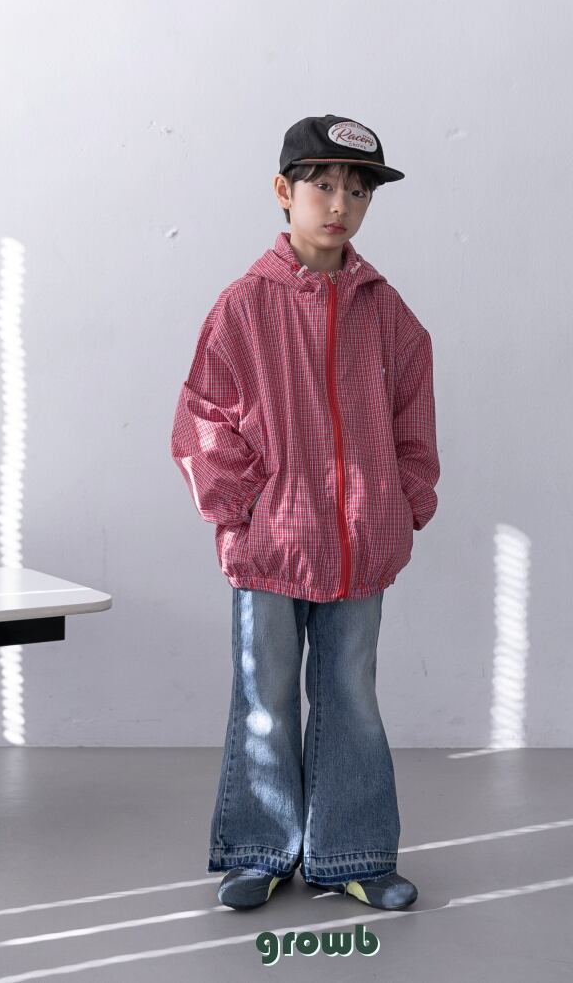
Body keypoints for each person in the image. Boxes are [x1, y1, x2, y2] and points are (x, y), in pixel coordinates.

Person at [170, 114, 440, 911]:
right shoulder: (243, 307)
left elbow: (414, 422)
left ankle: (352, 853)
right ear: (284, 192)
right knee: (267, 700)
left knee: (351, 695)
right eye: (323, 185)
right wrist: (246, 507)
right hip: (270, 548)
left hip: (362, 546)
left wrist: (402, 503)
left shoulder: (388, 313)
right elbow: (201, 419)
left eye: (358, 191)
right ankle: (259, 851)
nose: (341, 204)